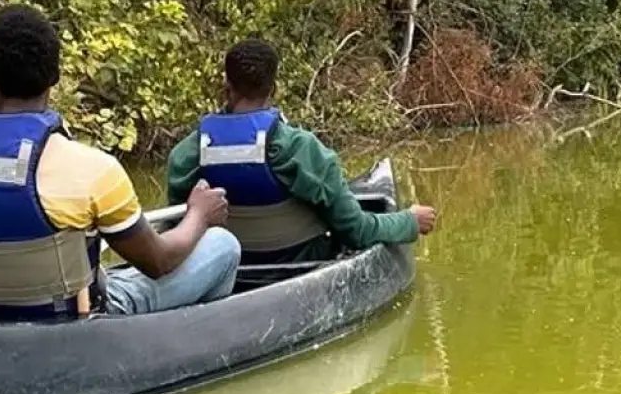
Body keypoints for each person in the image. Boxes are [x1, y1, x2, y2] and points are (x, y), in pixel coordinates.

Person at [0, 4, 241, 320]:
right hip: (79, 322)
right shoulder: (93, 170)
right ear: (54, 78)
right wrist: (199, 214)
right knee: (223, 244)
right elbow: (159, 261)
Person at [166, 39, 437, 265]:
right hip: (299, 263)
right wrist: (409, 221)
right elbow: (356, 231)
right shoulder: (302, 150)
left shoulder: (186, 155)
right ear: (274, 89)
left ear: (226, 87)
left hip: (227, 269)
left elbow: (177, 233)